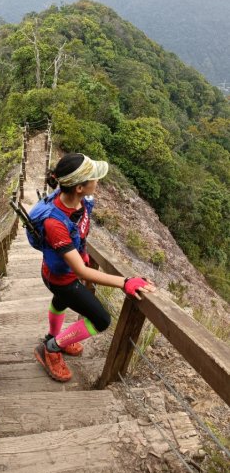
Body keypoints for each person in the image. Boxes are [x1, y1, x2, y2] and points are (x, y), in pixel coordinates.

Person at [34, 152, 156, 382]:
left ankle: (53, 335)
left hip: (58, 271)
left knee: (60, 301)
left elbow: (79, 234)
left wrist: (82, 252)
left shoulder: (80, 200)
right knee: (101, 320)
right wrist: (125, 282)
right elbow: (80, 271)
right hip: (61, 278)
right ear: (79, 187)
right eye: (94, 178)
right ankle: (51, 347)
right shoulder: (54, 222)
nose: (98, 182)